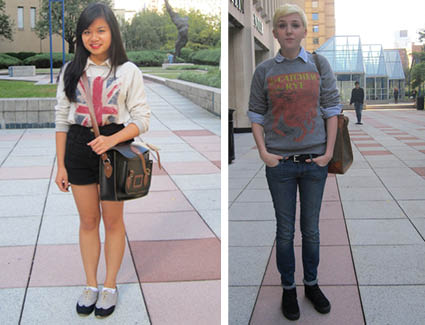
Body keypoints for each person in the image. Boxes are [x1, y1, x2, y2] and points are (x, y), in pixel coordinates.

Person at [54, 3, 150, 318]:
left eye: (100, 30)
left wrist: (112, 139)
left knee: (112, 221)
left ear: (112, 33)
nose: (93, 37)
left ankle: (110, 285)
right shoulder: (71, 70)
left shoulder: (128, 71)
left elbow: (142, 119)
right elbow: (61, 120)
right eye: (87, 31)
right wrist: (61, 165)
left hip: (113, 149)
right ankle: (91, 284)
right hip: (78, 149)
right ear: (80, 35)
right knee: (87, 221)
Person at [247, 4, 340, 321]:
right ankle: (289, 288)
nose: (289, 30)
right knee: (285, 232)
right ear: (274, 32)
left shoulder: (318, 63)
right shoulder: (265, 71)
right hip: (281, 165)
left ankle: (311, 284)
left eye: (295, 25)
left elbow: (331, 109)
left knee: (311, 231)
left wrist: (327, 154)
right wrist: (264, 153)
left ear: (304, 30)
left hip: (315, 162)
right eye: (283, 25)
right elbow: (256, 115)